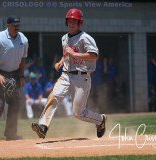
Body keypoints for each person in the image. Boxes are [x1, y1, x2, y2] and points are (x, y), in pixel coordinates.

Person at [31, 8, 107, 139]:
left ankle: (100, 120)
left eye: (74, 21)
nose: (71, 24)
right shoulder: (64, 38)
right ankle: (43, 126)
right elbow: (67, 53)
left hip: (82, 77)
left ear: (80, 23)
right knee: (54, 96)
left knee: (78, 113)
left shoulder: (85, 38)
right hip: (66, 75)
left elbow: (94, 55)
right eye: (69, 21)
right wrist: (60, 62)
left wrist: (74, 53)